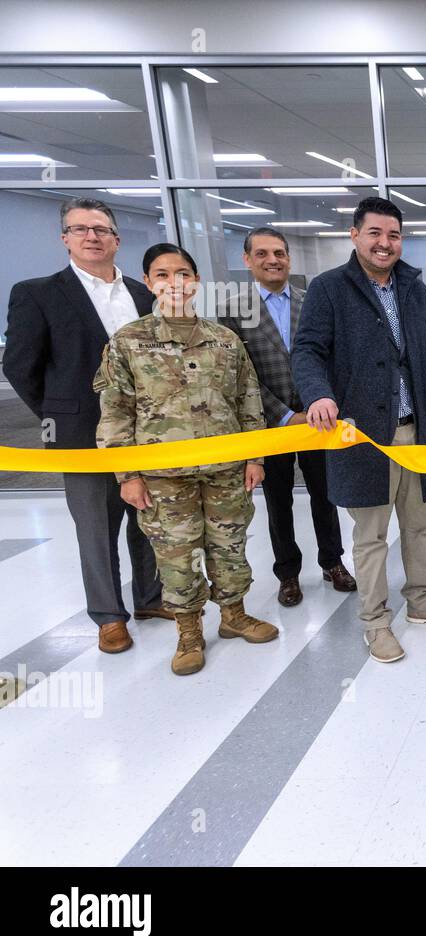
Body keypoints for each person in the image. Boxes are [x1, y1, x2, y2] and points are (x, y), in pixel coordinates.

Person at [292, 196, 426, 665]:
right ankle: (374, 621)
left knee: (420, 526)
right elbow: (306, 351)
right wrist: (318, 395)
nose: (385, 243)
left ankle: (423, 601)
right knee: (371, 536)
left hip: (417, 431)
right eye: (375, 233)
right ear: (355, 235)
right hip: (362, 436)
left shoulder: (413, 288)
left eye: (393, 235)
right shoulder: (329, 289)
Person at [94, 243, 277, 676]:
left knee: (229, 546)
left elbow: (248, 399)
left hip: (226, 471)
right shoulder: (129, 342)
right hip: (162, 477)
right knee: (178, 555)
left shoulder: (225, 339)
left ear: (195, 282)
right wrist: (127, 474)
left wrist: (256, 458)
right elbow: (116, 411)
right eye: (162, 274)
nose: (174, 282)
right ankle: (189, 631)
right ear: (149, 283)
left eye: (182, 274)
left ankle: (233, 615)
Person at [3, 199, 168, 655]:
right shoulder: (38, 292)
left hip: (146, 433)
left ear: (116, 239)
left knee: (149, 519)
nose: (91, 236)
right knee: (97, 529)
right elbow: (20, 366)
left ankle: (150, 598)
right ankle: (109, 617)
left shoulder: (141, 294)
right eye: (80, 229)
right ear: (65, 239)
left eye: (100, 229)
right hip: (82, 438)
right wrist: (58, 414)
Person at [217, 226, 355, 608]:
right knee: (278, 501)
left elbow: (329, 359)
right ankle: (288, 574)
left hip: (317, 421)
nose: (272, 260)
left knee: (325, 496)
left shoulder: (312, 302)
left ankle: (332, 562)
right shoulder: (231, 312)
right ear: (247, 260)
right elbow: (238, 377)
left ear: (289, 258)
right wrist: (283, 416)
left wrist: (314, 405)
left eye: (279, 253)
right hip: (268, 425)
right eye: (262, 253)